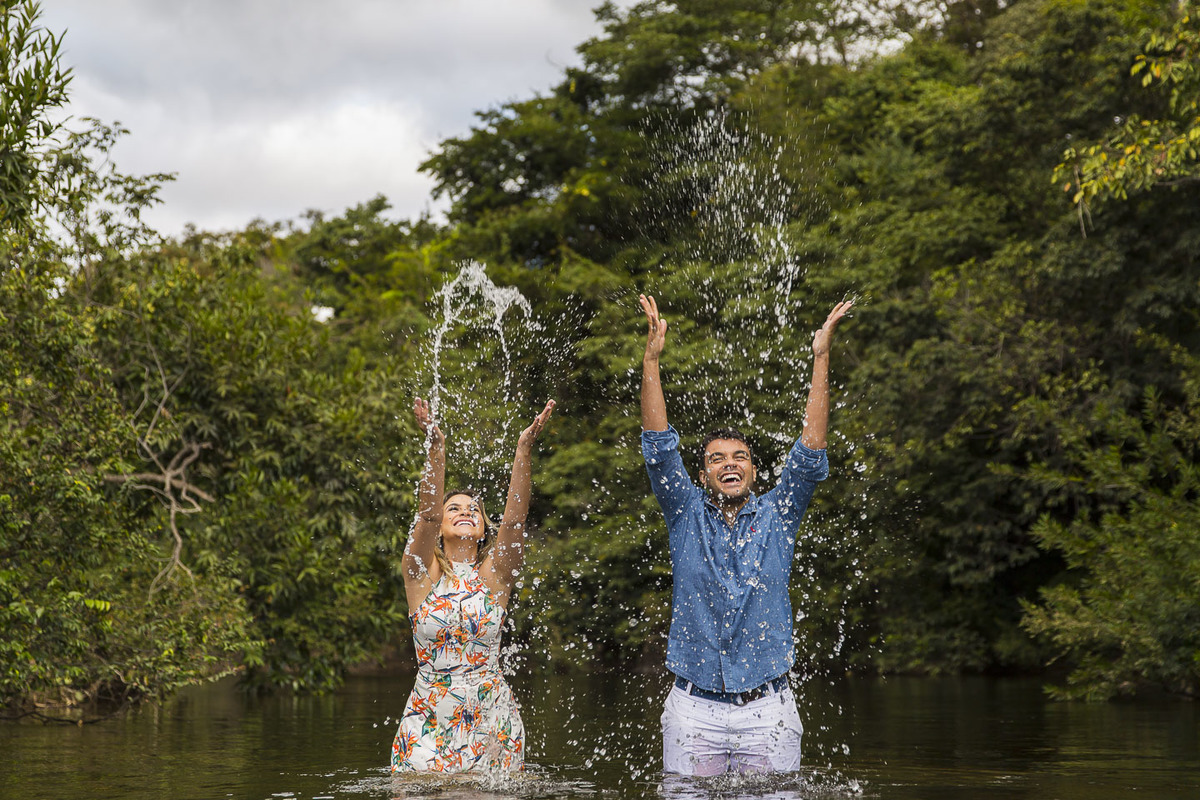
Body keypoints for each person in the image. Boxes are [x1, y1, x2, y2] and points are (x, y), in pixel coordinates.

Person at [638, 293, 852, 777]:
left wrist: (821, 357)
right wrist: (651, 360)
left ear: (753, 470)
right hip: (693, 707)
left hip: (767, 708)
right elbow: (658, 448)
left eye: (740, 457)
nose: (729, 463)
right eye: (717, 459)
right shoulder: (684, 512)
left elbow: (810, 453)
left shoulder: (779, 513)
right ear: (702, 475)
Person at [391, 396, 555, 774]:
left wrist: (524, 450)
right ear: (440, 527)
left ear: (482, 529)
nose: (465, 511)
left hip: (491, 721)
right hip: (427, 723)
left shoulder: (495, 578)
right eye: (454, 508)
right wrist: (436, 449)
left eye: (474, 509)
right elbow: (425, 515)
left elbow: (515, 520)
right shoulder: (420, 574)